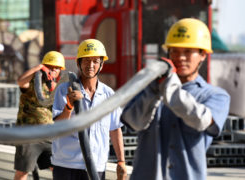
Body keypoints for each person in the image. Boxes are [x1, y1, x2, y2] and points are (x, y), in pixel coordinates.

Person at [121, 18, 230, 180]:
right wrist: (152, 91)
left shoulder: (215, 96)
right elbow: (134, 122)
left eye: (187, 51)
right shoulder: (150, 89)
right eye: (175, 51)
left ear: (202, 55)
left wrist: (169, 87)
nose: (180, 58)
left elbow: (201, 120)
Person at [51, 39, 127, 180]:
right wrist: (69, 107)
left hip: (96, 166)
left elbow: (115, 129)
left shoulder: (108, 94)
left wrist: (121, 161)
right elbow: (57, 127)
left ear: (101, 65)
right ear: (78, 62)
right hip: (67, 165)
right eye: (86, 60)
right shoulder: (64, 89)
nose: (90, 65)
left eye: (95, 61)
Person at [14, 51, 66, 180]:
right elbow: (20, 82)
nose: (53, 70)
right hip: (28, 136)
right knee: (23, 172)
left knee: (59, 167)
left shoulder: (57, 88)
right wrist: (38, 68)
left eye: (57, 68)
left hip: (49, 136)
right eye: (50, 67)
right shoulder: (32, 82)